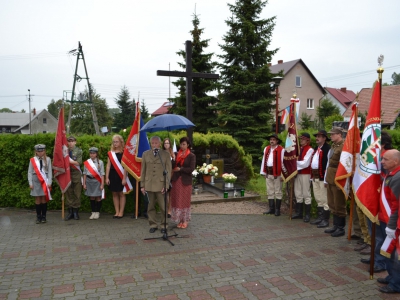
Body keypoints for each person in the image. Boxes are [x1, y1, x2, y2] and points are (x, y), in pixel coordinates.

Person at [378, 149, 400, 294]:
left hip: (395, 223)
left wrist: (391, 226)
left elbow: (396, 205)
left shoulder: (397, 177)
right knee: (390, 252)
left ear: (396, 162)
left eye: (386, 159)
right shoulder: (392, 174)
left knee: (396, 255)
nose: (382, 162)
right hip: (389, 220)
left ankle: (396, 284)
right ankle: (392, 277)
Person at [141, 136, 172, 233]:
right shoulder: (145, 154)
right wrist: (142, 185)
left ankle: (164, 225)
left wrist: (166, 186)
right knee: (150, 207)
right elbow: (143, 171)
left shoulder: (165, 154)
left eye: (156, 143)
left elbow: (168, 171)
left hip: (160, 185)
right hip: (149, 185)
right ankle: (153, 225)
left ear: (160, 143)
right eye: (152, 143)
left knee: (163, 207)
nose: (154, 145)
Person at [324, 127, 346, 237]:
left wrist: (341, 181)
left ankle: (341, 228)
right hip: (330, 176)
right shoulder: (334, 146)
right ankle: (335, 226)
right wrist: (326, 179)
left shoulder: (344, 146)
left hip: (338, 177)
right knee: (332, 203)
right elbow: (329, 163)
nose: (331, 136)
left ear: (339, 135)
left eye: (333, 134)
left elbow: (344, 165)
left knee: (339, 204)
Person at [170, 137, 196, 229]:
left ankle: (185, 220)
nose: (182, 146)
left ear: (188, 145)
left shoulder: (191, 155)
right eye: (181, 144)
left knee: (184, 200)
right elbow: (172, 166)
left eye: (184, 144)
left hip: (186, 181)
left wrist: (181, 169)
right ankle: (179, 220)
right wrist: (173, 159)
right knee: (177, 200)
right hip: (176, 180)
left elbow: (191, 169)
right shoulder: (176, 154)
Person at [260, 133, 285, 216]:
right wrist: (264, 172)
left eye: (273, 140)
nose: (272, 141)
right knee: (270, 191)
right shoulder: (266, 149)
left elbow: (283, 162)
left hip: (277, 174)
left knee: (278, 191)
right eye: (271, 140)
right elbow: (264, 160)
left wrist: (283, 174)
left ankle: (277, 210)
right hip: (268, 173)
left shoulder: (281, 150)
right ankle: (271, 209)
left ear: (277, 141)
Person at [106, 134, 130, 219]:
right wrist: (107, 177)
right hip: (112, 175)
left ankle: (121, 212)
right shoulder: (110, 153)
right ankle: (116, 211)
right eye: (114, 142)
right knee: (114, 193)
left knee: (121, 193)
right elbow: (108, 166)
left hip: (121, 175)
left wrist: (124, 178)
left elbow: (126, 166)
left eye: (117, 142)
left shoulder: (124, 152)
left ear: (121, 142)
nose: (115, 143)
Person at [309, 130, 330, 227]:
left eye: (320, 136)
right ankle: (320, 218)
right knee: (318, 198)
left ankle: (325, 220)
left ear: (324, 138)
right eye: (317, 136)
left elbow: (328, 165)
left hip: (322, 177)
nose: (317, 138)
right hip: (315, 177)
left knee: (324, 199)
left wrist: (326, 179)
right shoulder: (316, 148)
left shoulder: (327, 149)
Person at [28, 144, 52, 224]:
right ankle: (38, 217)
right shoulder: (32, 160)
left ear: (44, 151)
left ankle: (44, 216)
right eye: (38, 151)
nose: (40, 153)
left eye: (42, 151)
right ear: (36, 152)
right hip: (35, 181)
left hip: (44, 181)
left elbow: (50, 172)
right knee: (37, 199)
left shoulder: (48, 159)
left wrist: (49, 182)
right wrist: (30, 183)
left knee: (43, 199)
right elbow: (30, 172)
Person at [292, 132, 314, 222]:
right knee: (298, 193)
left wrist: (293, 163)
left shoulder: (310, 150)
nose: (301, 140)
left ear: (307, 140)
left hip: (305, 173)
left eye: (303, 139)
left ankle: (307, 214)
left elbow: (305, 163)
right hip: (298, 173)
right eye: (301, 139)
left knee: (306, 193)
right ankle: (299, 213)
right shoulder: (299, 149)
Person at [83, 147, 105, 220]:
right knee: (91, 196)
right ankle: (93, 212)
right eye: (91, 153)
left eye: (93, 153)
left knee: (98, 197)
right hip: (89, 181)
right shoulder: (87, 162)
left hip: (97, 181)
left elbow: (102, 174)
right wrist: (84, 183)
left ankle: (97, 212)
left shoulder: (100, 162)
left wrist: (102, 184)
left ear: (96, 154)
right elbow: (85, 174)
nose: (92, 155)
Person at [65, 136, 83, 221]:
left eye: (72, 141)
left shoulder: (79, 151)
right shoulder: (65, 151)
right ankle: (70, 212)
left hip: (76, 173)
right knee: (69, 192)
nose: (70, 143)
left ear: (75, 142)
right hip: (67, 173)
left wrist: (69, 161)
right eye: (69, 141)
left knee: (77, 193)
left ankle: (76, 212)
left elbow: (78, 163)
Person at [163, 137, 175, 218]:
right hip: (164, 175)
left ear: (170, 144)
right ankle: (166, 208)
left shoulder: (173, 153)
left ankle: (170, 210)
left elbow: (174, 165)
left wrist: (174, 158)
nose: (166, 144)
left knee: (171, 193)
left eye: (167, 143)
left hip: (172, 175)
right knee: (165, 193)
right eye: (165, 143)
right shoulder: (162, 153)